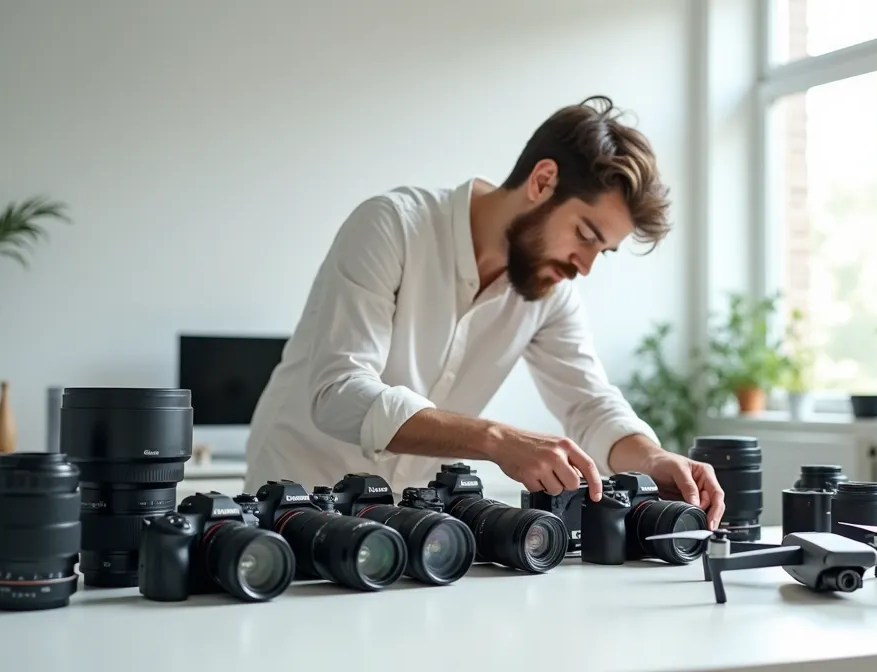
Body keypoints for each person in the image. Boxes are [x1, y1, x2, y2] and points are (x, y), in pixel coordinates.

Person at [244, 95, 725, 529]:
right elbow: (339, 393)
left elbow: (589, 404)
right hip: (294, 506)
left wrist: (653, 458)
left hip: (409, 522)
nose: (586, 266)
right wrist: (496, 439)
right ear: (542, 181)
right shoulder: (391, 227)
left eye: (605, 251)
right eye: (585, 234)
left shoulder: (551, 293)